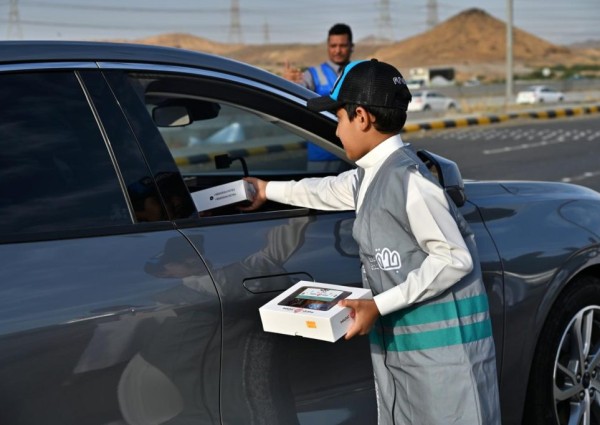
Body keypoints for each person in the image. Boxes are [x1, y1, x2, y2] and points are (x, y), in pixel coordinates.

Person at [243, 59, 501, 424]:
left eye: (340, 119)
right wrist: (268, 189)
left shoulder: (411, 182)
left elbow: (454, 258)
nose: (336, 133)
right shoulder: (371, 176)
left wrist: (379, 304)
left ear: (361, 117)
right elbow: (327, 190)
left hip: (447, 365)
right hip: (413, 357)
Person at [283, 23, 354, 170]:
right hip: (322, 157)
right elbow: (297, 93)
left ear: (351, 46)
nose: (338, 50)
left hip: (354, 156)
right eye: (333, 46)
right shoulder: (313, 74)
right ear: (328, 46)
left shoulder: (359, 72)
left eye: (342, 46)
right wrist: (288, 83)